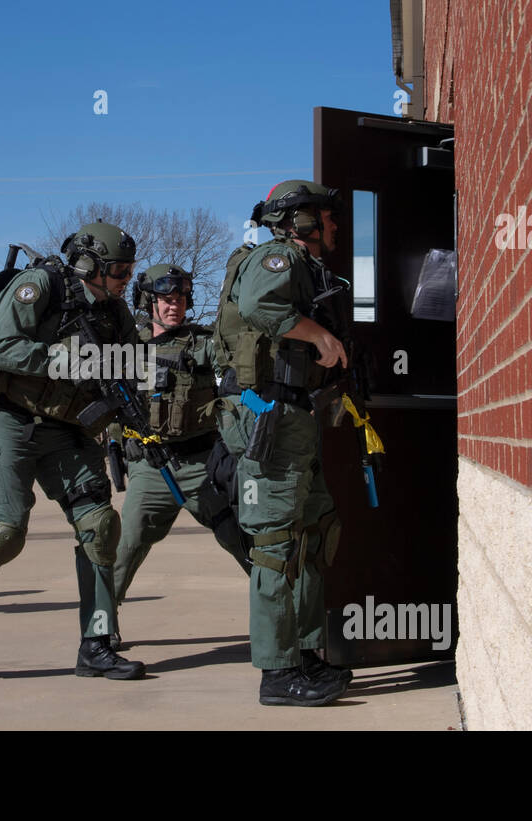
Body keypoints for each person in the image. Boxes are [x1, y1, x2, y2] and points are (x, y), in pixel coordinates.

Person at [0, 222, 148, 684]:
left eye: (128, 269)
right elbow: (2, 347)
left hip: (67, 427)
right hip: (8, 417)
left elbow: (132, 360)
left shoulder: (114, 310)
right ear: (88, 265)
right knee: (6, 530)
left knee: (99, 525)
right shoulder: (39, 285)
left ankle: (97, 645)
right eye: (117, 269)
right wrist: (70, 360)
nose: (124, 278)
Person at [213, 179, 354, 706]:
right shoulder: (278, 258)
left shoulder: (310, 269)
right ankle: (277, 672)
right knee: (274, 546)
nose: (335, 226)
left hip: (295, 415)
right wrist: (319, 336)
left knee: (315, 532)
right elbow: (258, 305)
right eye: (327, 217)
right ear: (301, 222)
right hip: (266, 414)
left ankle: (308, 654)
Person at [108, 264, 251, 643]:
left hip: (200, 464)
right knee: (127, 545)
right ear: (149, 302)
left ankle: (287, 616)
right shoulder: (127, 348)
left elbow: (231, 355)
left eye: (181, 300)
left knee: (241, 538)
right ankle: (100, 631)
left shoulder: (201, 343)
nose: (175, 307)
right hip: (150, 466)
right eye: (167, 300)